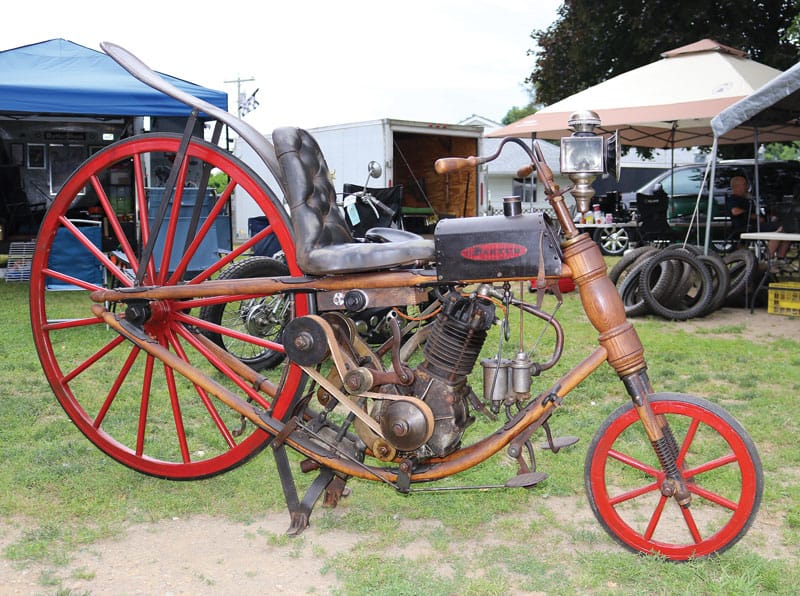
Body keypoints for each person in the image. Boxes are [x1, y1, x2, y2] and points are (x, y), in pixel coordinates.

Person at [726, 175, 791, 268]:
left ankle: (780, 258)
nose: (747, 187)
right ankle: (768, 259)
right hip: (746, 226)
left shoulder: (747, 199)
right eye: (744, 184)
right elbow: (735, 211)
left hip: (757, 225)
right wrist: (754, 216)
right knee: (780, 228)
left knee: (786, 227)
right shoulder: (733, 199)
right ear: (736, 186)